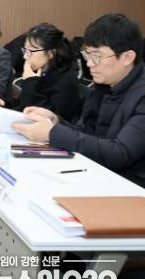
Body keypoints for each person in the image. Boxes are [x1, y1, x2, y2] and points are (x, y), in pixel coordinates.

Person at [14, 13, 145, 188]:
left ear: (127, 57)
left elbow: (119, 154)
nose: (89, 63)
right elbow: (86, 134)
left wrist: (53, 133)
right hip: (96, 175)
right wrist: (55, 121)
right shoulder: (103, 86)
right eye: (87, 55)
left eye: (97, 56)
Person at [0, 23, 82, 122]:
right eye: (25, 50)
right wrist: (4, 103)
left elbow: (44, 116)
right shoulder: (42, 71)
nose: (25, 56)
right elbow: (25, 103)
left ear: (50, 53)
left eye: (31, 51)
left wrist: (30, 81)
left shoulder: (66, 80)